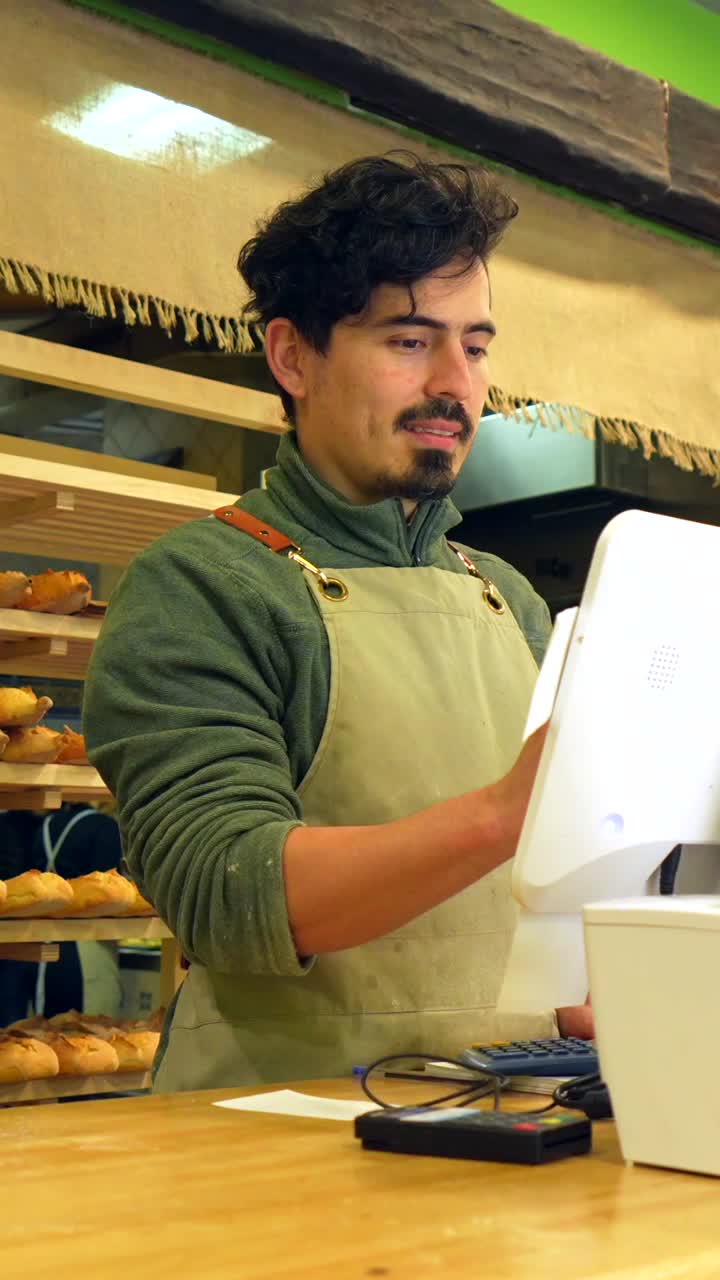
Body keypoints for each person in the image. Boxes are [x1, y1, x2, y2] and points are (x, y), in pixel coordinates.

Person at [84, 152, 593, 1092]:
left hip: (508, 1113)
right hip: (274, 1136)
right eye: (409, 341)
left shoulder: (506, 596)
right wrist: (501, 815)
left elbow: (532, 916)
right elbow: (224, 891)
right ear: (292, 356)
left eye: (475, 348)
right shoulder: (205, 585)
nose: (455, 383)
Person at [0, 802, 124, 1025]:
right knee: (91, 1030)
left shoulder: (47, 825)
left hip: (48, 946)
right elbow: (113, 889)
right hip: (88, 949)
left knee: (49, 1031)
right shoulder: (104, 828)